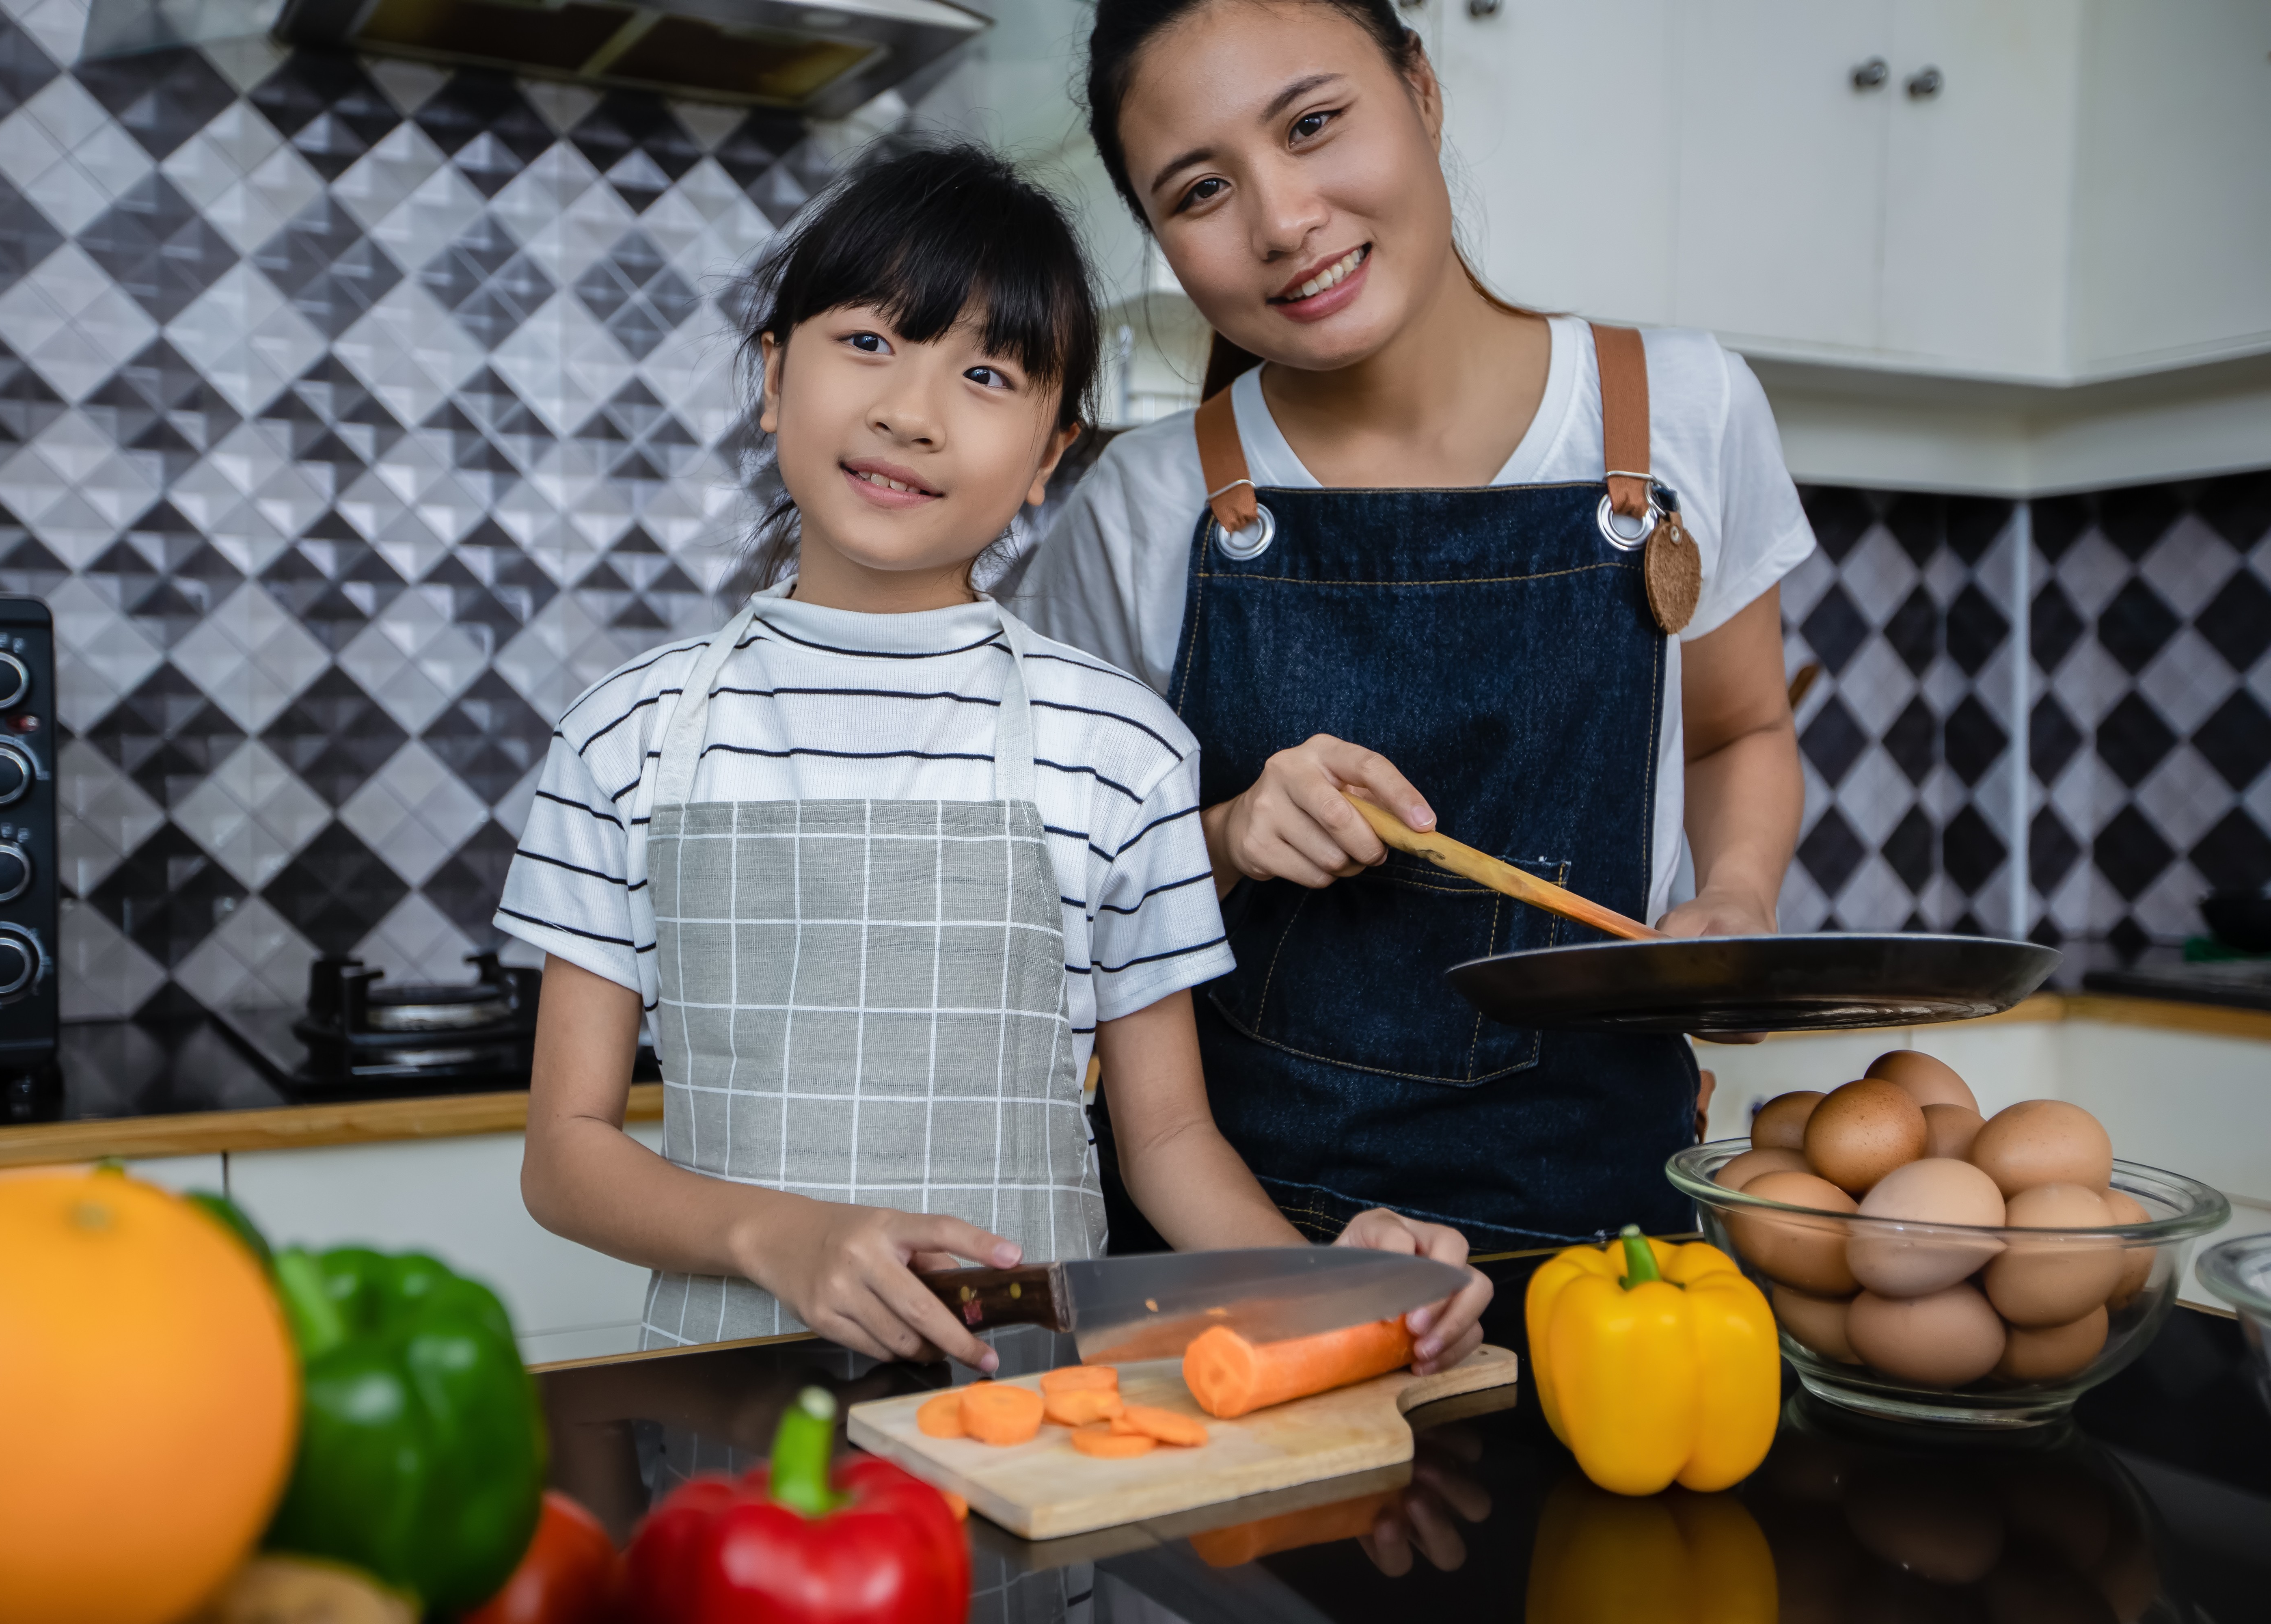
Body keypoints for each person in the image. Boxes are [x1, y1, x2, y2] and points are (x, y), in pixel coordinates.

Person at [501, 144, 1492, 1373]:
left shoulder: (1121, 750)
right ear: (773, 378)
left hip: (1031, 1405)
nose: (908, 412)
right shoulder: (626, 735)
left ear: (1047, 458)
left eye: (984, 373)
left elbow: (1172, 1145)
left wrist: (1334, 1284)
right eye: (867, 341)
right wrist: (785, 1238)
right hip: (727, 1397)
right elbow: (567, 1156)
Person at [1013, 0, 1812, 1252]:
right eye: (1202, 191)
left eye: (1315, 124)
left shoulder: (1685, 409)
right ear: (1162, 238)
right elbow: (1055, 901)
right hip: (1244, 1246)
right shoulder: (1141, 504)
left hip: (1608, 1241)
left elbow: (1740, 730)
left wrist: (1741, 898)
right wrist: (1223, 835)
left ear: (1422, 91)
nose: (1284, 222)